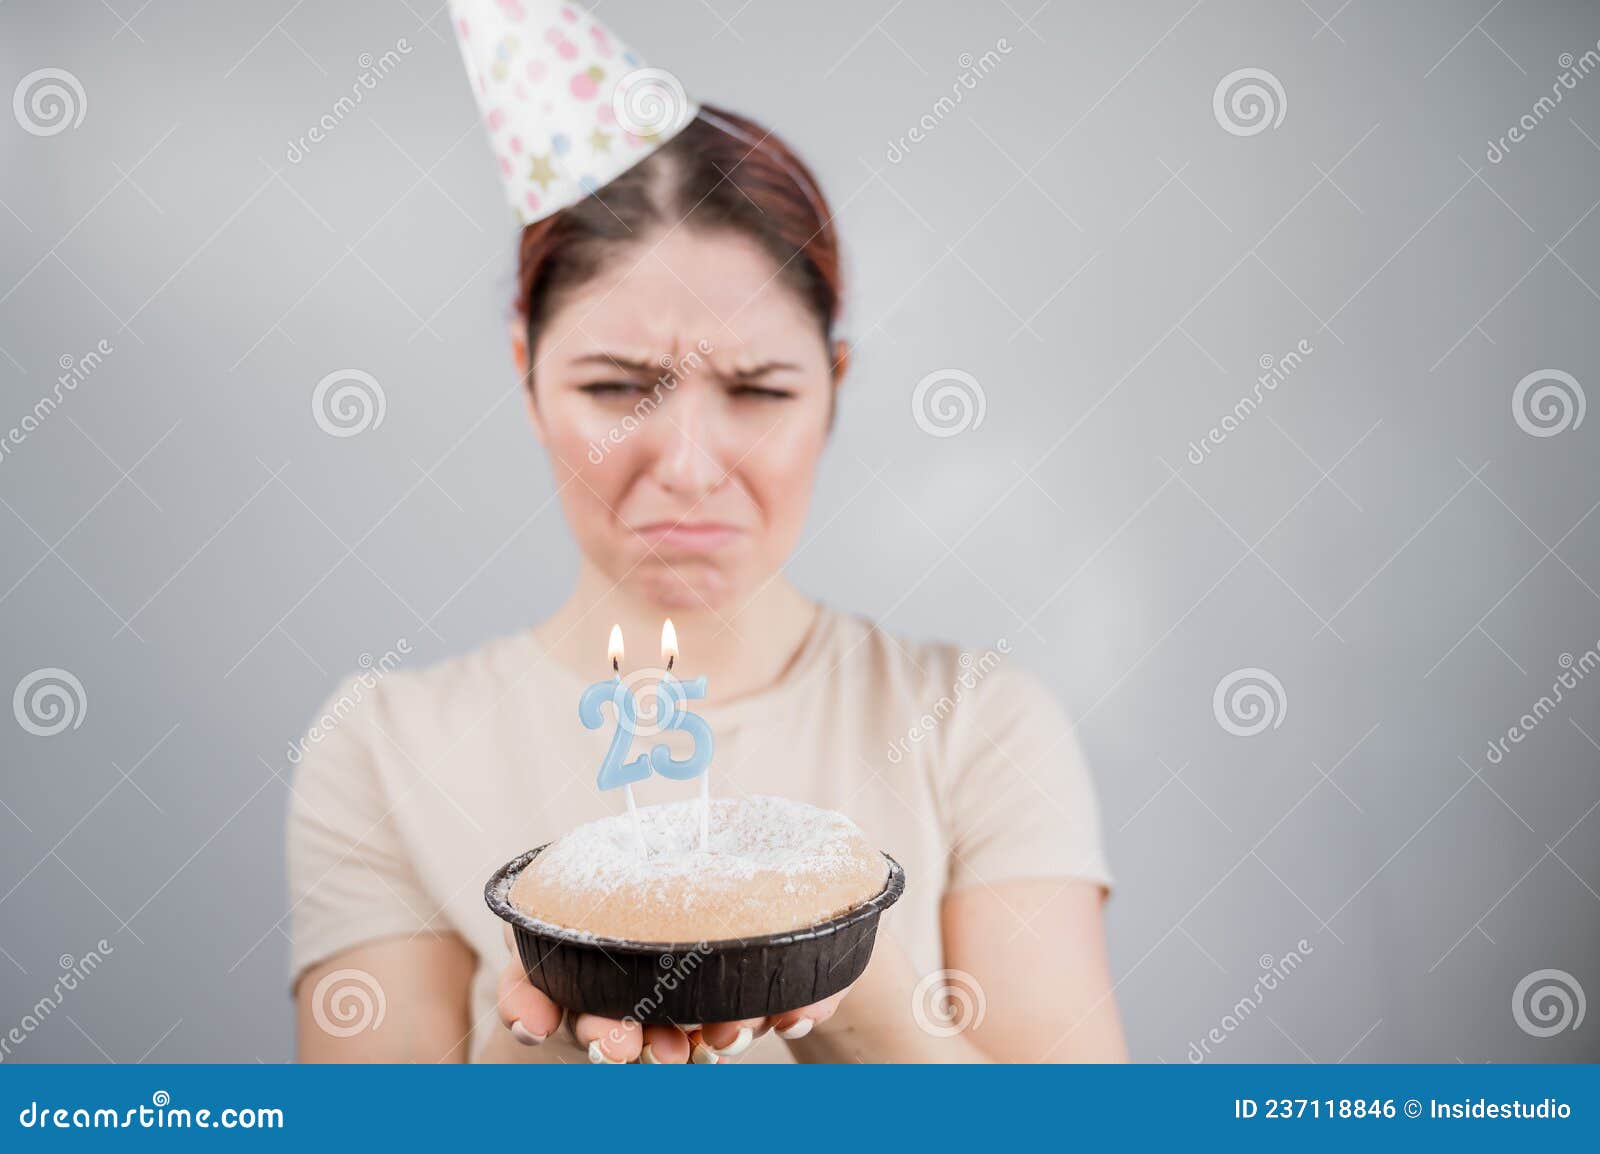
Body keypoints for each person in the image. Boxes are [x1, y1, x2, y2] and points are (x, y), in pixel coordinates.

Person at [288, 1, 1123, 1065]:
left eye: (760, 390)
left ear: (834, 387)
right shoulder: (383, 744)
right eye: (615, 386)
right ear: (526, 375)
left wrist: (842, 979)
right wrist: (534, 1041)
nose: (685, 461)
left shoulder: (975, 723)